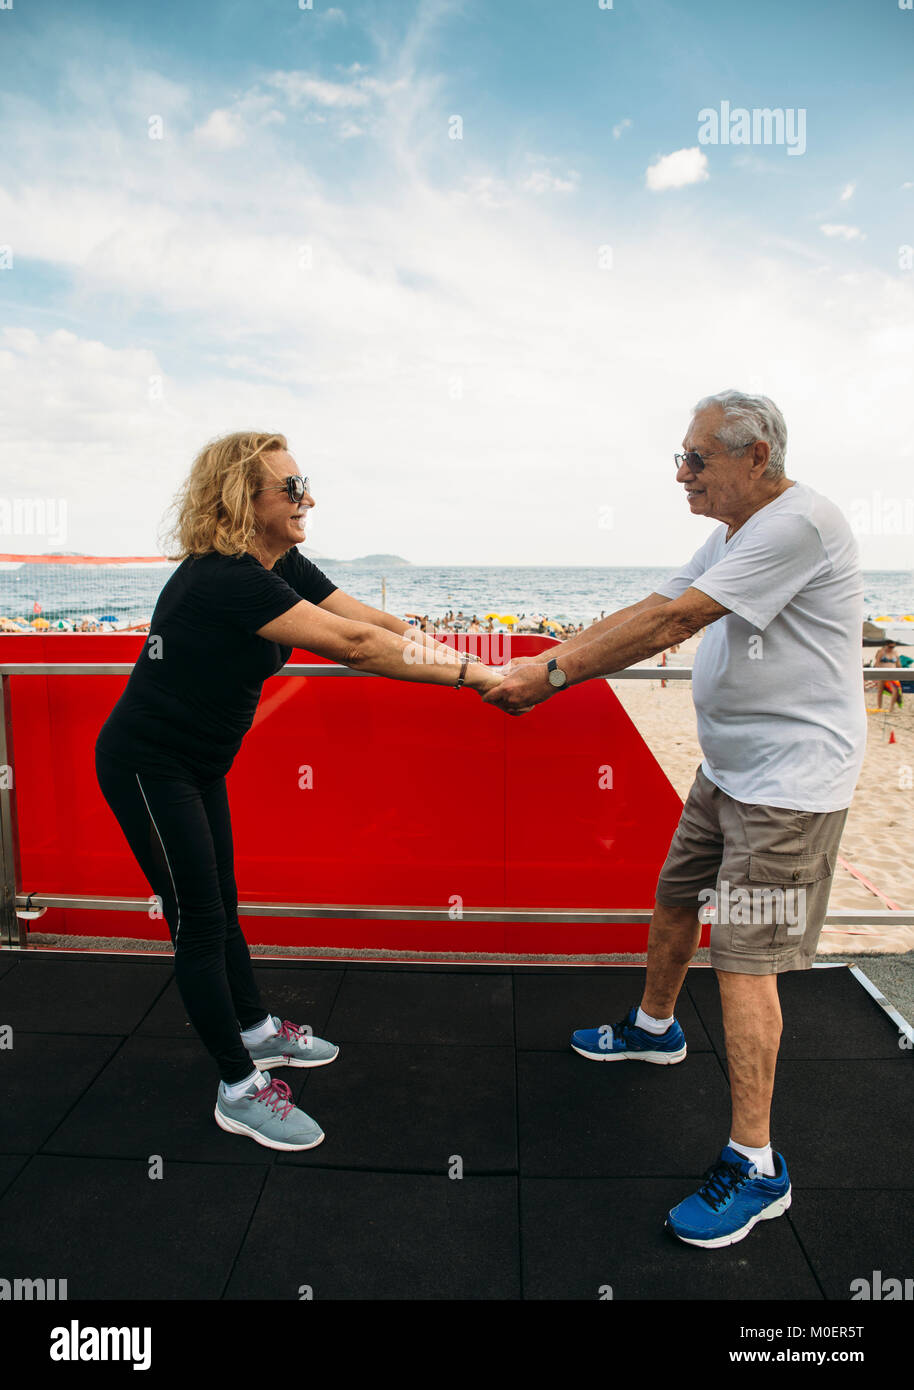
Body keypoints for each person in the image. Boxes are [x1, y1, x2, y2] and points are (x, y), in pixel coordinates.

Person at [487, 390, 865, 1248]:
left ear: (756, 457)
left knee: (742, 960)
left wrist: (548, 681)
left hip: (790, 788)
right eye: (680, 458)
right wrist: (546, 656)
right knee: (674, 900)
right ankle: (654, 1031)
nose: (682, 473)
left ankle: (758, 1166)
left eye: (698, 459)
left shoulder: (798, 524)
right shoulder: (735, 529)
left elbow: (675, 621)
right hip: (729, 771)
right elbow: (654, 599)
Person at [95, 431, 506, 1153]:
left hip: (196, 765)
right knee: (197, 919)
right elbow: (353, 648)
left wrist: (475, 662)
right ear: (241, 500)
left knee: (221, 900)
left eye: (302, 483)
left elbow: (369, 620)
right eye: (291, 487)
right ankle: (237, 1087)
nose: (307, 498)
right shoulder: (225, 578)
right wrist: (475, 681)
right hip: (146, 764)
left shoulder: (278, 560)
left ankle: (256, 1031)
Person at [874, 640, 902, 711]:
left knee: (895, 690)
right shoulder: (881, 652)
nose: (892, 648)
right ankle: (879, 707)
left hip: (892, 673)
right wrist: (876, 673)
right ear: (886, 645)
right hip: (882, 672)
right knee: (880, 691)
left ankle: (891, 708)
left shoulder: (895, 652)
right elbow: (877, 663)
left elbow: (898, 664)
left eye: (893, 647)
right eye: (890, 647)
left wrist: (901, 671)